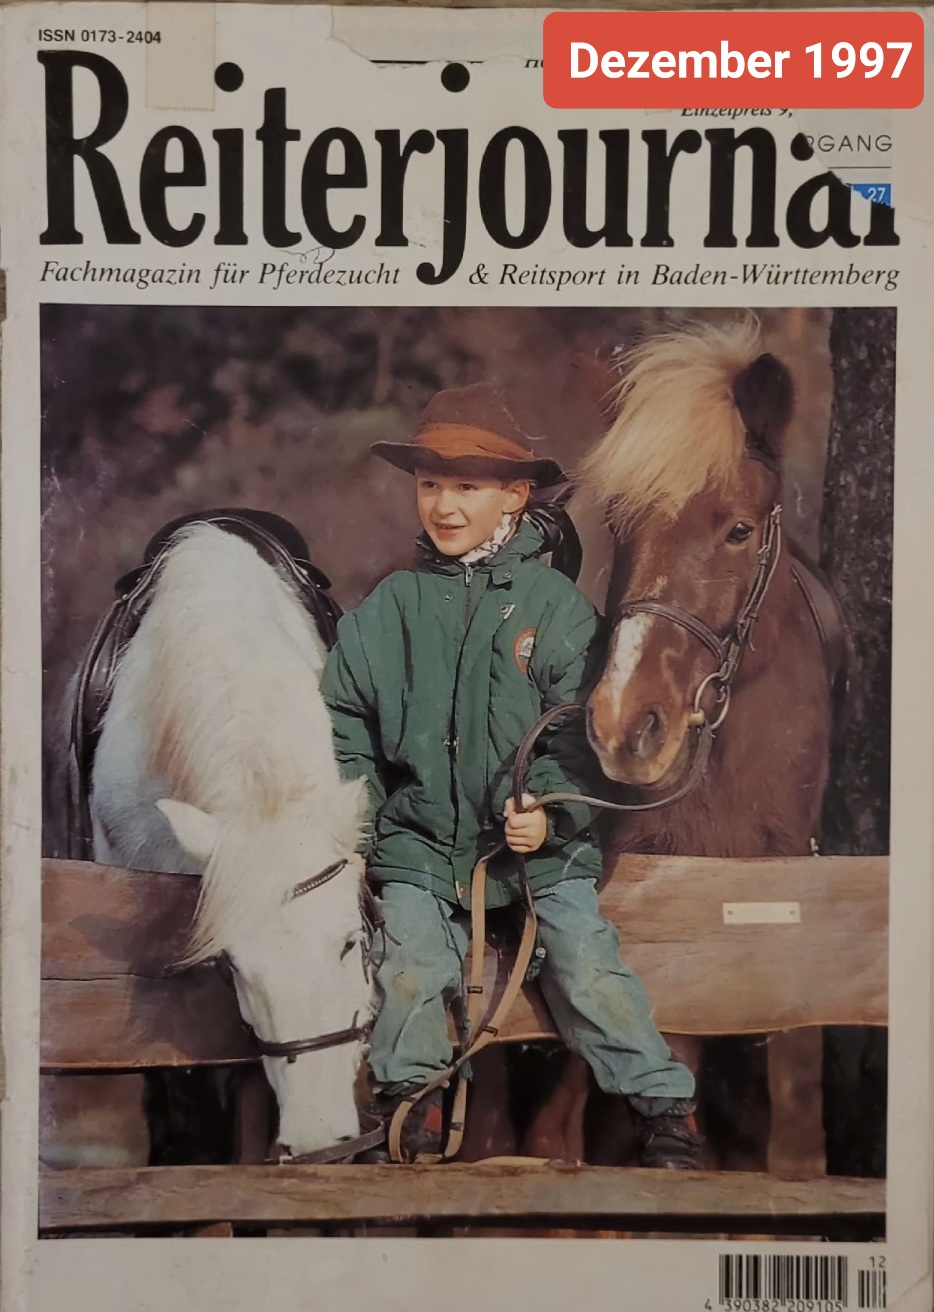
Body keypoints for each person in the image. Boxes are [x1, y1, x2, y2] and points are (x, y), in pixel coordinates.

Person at [321, 383, 700, 1168]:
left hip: (537, 853)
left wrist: (550, 812)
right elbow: (344, 718)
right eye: (431, 484)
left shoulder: (555, 609)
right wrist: (364, 826)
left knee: (585, 964)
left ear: (515, 497)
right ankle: (413, 1103)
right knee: (411, 962)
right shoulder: (391, 608)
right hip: (422, 846)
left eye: (466, 487)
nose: (444, 505)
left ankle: (664, 1106)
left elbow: (580, 734)